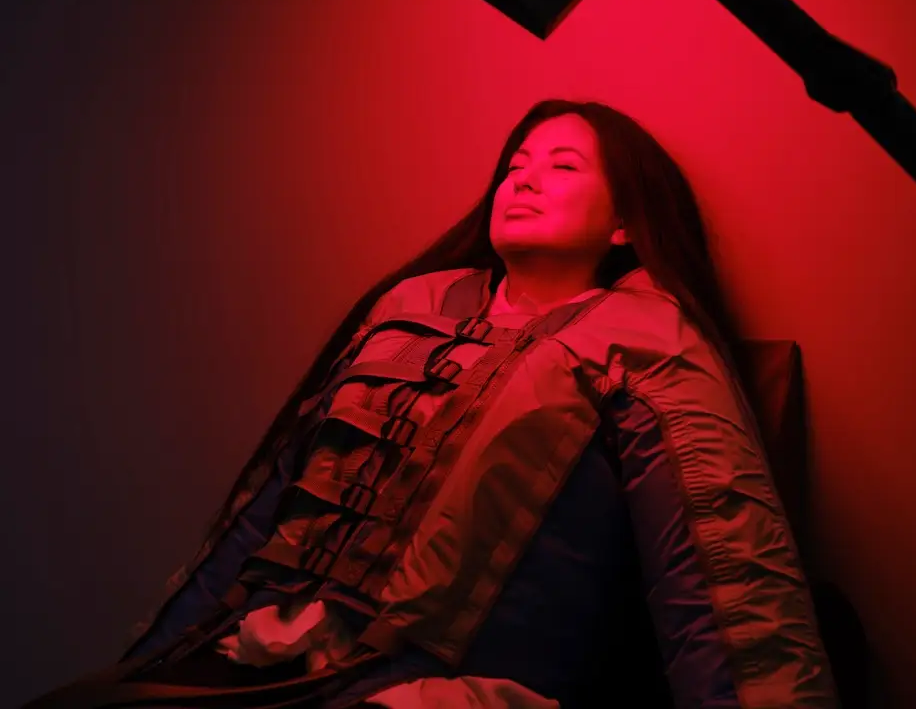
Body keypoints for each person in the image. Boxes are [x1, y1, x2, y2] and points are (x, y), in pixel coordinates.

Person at [25, 99, 840, 709]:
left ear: (624, 221)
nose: (523, 178)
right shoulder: (410, 306)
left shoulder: (645, 338)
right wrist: (151, 664)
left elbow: (724, 569)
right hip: (263, 665)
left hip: (443, 690)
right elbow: (265, 508)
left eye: (562, 166)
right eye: (515, 164)